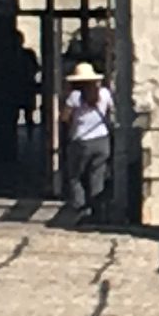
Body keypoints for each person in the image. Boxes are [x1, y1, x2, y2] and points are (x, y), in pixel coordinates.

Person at [58, 61, 115, 221]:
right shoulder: (104, 93)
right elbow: (111, 111)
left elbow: (64, 118)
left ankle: (81, 207)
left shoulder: (75, 97)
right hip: (102, 140)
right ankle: (97, 209)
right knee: (97, 175)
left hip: (81, 141)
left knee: (75, 176)